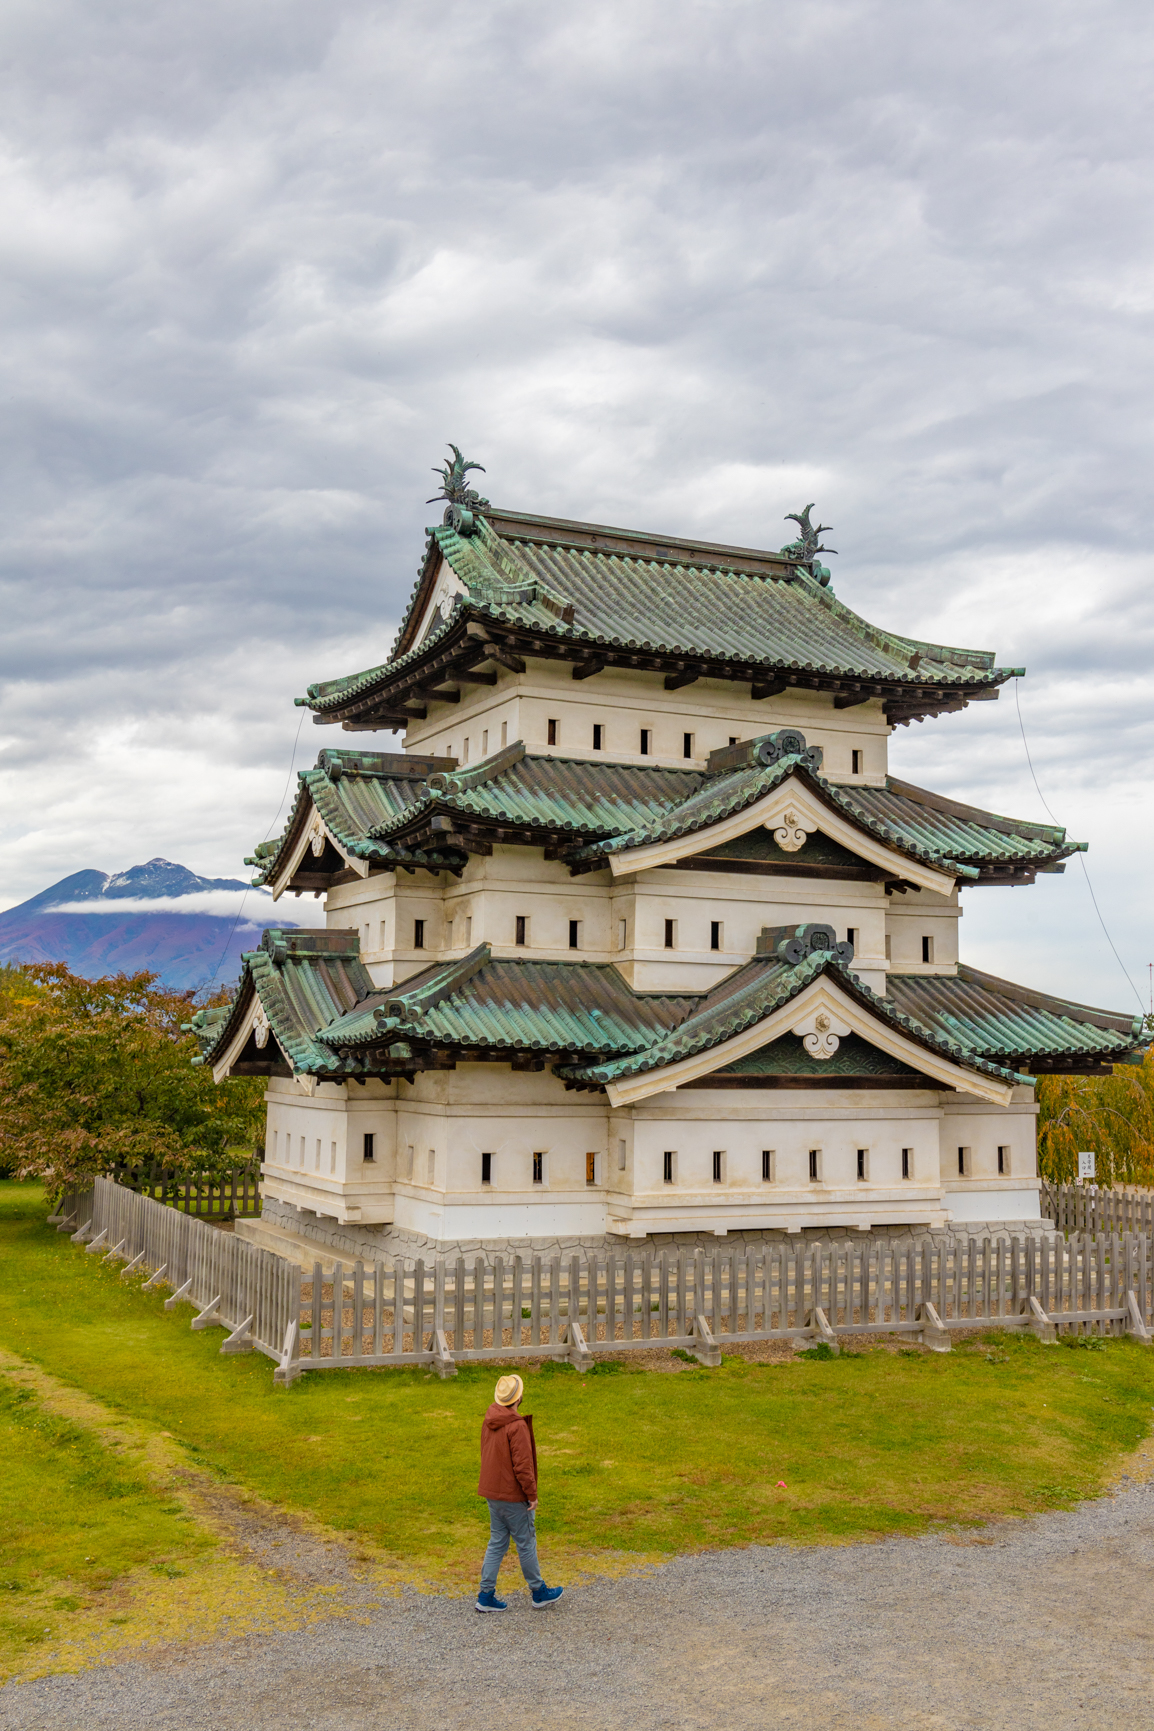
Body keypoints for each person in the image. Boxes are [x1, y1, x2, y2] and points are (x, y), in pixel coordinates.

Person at [476, 1372, 564, 1612]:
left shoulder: (489, 1419)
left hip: (492, 1493)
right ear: (518, 1397)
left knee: (497, 1542)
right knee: (525, 1543)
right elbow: (523, 1467)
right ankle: (539, 1592)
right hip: (513, 1496)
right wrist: (532, 1495)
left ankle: (485, 1595)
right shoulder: (516, 1426)